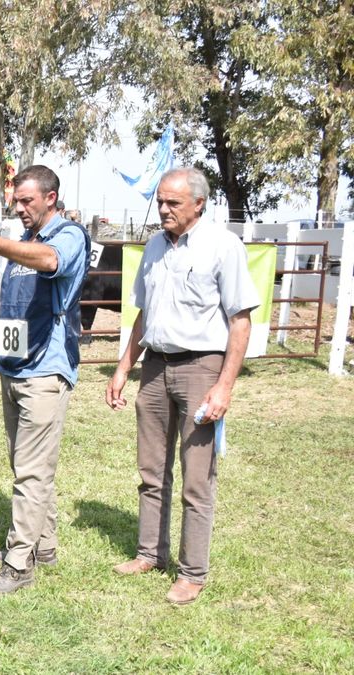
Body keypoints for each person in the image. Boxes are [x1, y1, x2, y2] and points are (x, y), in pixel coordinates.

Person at [105, 167, 259, 606]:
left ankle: (192, 573)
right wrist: (123, 368)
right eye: (160, 201)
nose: (164, 209)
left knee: (197, 478)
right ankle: (149, 553)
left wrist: (224, 386)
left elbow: (240, 321)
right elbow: (143, 314)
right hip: (154, 368)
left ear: (199, 204)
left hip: (201, 369)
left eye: (173, 202)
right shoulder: (154, 246)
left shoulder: (223, 246)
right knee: (151, 471)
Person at [0, 164, 90, 595]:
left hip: (46, 370)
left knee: (30, 472)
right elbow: (12, 305)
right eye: (16, 200)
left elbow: (50, 263)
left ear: (51, 198)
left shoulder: (65, 237)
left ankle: (18, 565)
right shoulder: (24, 242)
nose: (20, 208)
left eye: (27, 200)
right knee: (28, 465)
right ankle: (43, 546)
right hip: (15, 366)